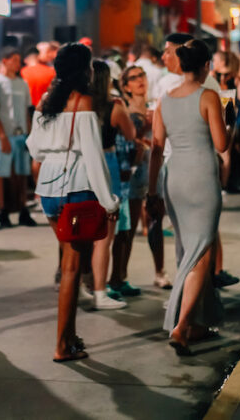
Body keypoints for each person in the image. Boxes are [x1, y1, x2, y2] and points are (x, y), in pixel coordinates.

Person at [26, 43, 119, 363]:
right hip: (76, 189)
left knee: (70, 263)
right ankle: (62, 344)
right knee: (71, 269)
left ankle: (69, 336)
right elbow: (94, 158)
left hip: (48, 191)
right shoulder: (85, 102)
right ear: (86, 70)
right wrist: (109, 201)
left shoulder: (47, 102)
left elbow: (33, 148)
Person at [149, 40, 233, 355]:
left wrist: (152, 190)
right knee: (201, 255)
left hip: (173, 178)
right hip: (200, 177)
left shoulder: (164, 100)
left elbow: (156, 148)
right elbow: (221, 144)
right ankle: (181, 326)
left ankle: (200, 321)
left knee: (188, 248)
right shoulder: (209, 96)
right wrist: (230, 122)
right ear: (205, 66)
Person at [114, 65, 170, 290]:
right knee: (128, 226)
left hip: (153, 167)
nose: (140, 80)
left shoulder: (154, 104)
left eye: (142, 76)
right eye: (134, 78)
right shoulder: (124, 107)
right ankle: (121, 275)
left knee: (155, 220)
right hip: (133, 171)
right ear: (125, 86)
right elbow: (125, 138)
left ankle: (160, 272)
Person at [89, 60, 136, 309]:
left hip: (83, 164)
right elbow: (130, 135)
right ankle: (100, 290)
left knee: (84, 229)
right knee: (105, 235)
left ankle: (86, 284)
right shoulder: (114, 107)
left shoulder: (78, 104)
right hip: (107, 163)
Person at [0, 47, 35, 228]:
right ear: (6, 60)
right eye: (15, 60)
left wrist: (30, 134)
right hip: (6, 134)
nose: (18, 63)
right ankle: (2, 209)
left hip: (21, 133)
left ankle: (23, 208)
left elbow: (26, 110)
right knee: (2, 172)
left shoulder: (22, 84)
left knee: (22, 173)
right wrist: (1, 134)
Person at [20, 41, 58, 108]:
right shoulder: (51, 72)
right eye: (48, 51)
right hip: (45, 108)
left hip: (29, 108)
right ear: (38, 54)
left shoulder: (22, 72)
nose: (50, 54)